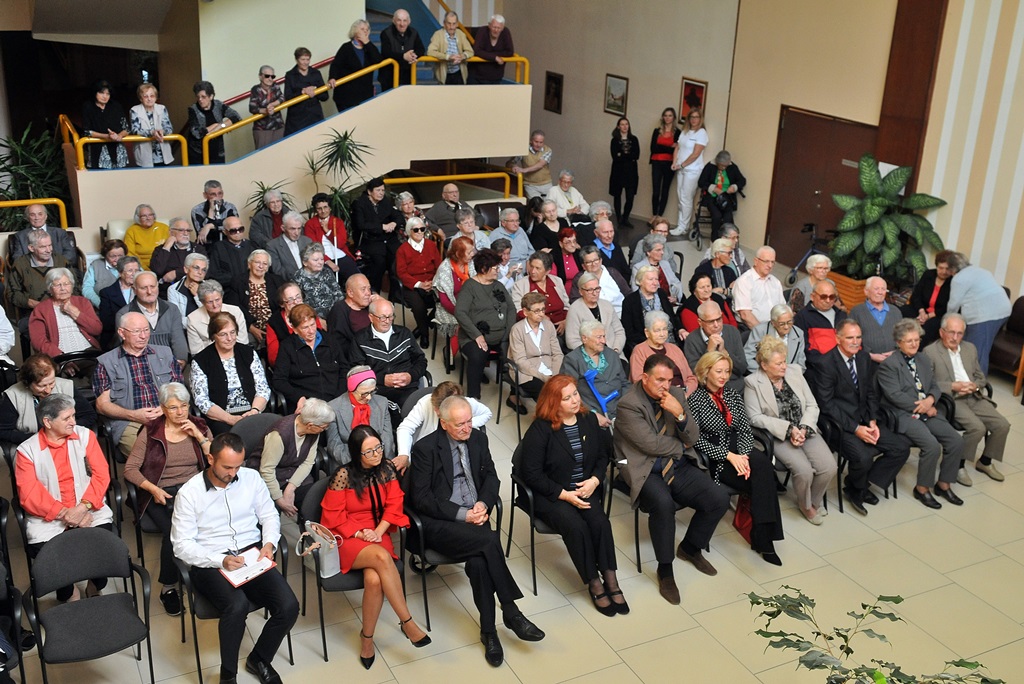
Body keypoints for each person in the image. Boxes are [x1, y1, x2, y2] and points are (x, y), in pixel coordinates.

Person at [410, 396, 545, 667]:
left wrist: (482, 504)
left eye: (469, 421)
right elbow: (422, 499)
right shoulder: (425, 449)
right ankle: (511, 610)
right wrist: (464, 514)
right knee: (489, 541)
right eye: (460, 424)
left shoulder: (478, 439)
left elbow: (492, 477)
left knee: (481, 562)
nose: (467, 428)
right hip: (442, 523)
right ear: (444, 423)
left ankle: (489, 633)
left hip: (476, 517)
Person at [170, 432, 299, 684]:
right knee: (236, 606)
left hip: (251, 554)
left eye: (238, 466)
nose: (233, 473)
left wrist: (269, 542)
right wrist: (220, 560)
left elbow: (269, 516)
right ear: (210, 459)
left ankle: (259, 658)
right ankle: (228, 675)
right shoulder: (190, 493)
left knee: (289, 606)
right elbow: (181, 546)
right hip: (210, 560)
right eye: (227, 467)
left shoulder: (251, 479)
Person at [613, 355, 730, 603]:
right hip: (643, 467)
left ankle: (690, 548)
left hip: (676, 464)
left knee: (718, 498)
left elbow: (694, 436)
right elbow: (649, 444)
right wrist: (681, 444)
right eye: (660, 380)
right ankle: (665, 569)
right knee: (663, 505)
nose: (665, 385)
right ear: (645, 378)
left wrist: (680, 416)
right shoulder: (628, 404)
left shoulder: (676, 395)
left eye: (669, 379)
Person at [321, 425, 430, 669]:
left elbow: (394, 505)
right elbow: (334, 518)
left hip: (377, 531)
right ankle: (407, 622)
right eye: (369, 451)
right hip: (348, 536)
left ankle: (366, 639)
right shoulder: (343, 476)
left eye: (378, 447)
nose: (377, 454)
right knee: (382, 558)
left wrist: (379, 531)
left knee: (373, 581)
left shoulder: (387, 470)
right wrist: (361, 533)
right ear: (356, 454)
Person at [518, 376, 626, 615]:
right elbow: (532, 475)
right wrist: (564, 495)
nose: (575, 400)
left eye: (575, 394)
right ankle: (594, 582)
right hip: (551, 493)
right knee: (576, 527)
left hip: (585, 487)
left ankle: (611, 579)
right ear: (553, 402)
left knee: (600, 523)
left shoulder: (587, 420)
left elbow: (602, 456)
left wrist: (595, 480)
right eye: (566, 398)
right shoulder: (541, 429)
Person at [689, 351, 785, 565]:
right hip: (716, 456)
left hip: (739, 449)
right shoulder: (695, 400)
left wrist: (742, 455)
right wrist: (730, 456)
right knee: (762, 479)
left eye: (727, 371)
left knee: (764, 472)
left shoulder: (731, 394)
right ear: (706, 372)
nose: (724, 376)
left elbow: (744, 429)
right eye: (719, 371)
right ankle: (764, 541)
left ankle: (763, 537)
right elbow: (696, 441)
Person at [124, 382, 212, 616]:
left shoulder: (200, 425)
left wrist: (200, 438)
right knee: (175, 531)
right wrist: (153, 489)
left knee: (213, 523)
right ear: (163, 408)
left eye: (184, 406)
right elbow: (130, 469)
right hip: (161, 491)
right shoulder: (151, 431)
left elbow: (217, 462)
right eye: (173, 408)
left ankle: (207, 574)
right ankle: (169, 587)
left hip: (194, 489)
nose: (180, 412)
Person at [16, 393, 113, 602]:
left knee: (102, 544)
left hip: (88, 507)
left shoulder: (85, 436)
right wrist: (66, 514)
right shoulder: (27, 451)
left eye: (74, 416)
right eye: (67, 418)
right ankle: (69, 594)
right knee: (56, 555)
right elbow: (29, 494)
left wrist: (83, 507)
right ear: (47, 422)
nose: (74, 422)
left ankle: (95, 587)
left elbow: (102, 474)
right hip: (49, 517)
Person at [811, 319, 911, 515]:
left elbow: (871, 393)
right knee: (863, 457)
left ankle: (861, 483)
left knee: (901, 448)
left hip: (865, 418)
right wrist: (856, 429)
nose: (855, 342)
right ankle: (856, 490)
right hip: (840, 425)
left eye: (858, 337)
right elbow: (827, 406)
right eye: (850, 337)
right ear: (837, 338)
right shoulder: (825, 364)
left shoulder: (863, 358)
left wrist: (872, 420)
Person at [744, 336, 836, 524]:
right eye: (778, 363)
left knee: (829, 467)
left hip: (805, 428)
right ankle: (805, 505)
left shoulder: (794, 372)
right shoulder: (752, 382)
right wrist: (789, 429)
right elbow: (755, 417)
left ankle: (813, 502)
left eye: (784, 361)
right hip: (779, 435)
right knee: (804, 471)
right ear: (763, 365)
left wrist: (803, 428)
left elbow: (812, 405)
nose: (784, 366)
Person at [877, 319, 965, 509]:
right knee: (932, 446)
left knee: (955, 440)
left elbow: (934, 385)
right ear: (899, 342)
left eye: (917, 340)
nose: (915, 344)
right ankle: (923, 488)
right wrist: (924, 406)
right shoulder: (889, 365)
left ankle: (943, 484)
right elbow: (894, 396)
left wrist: (931, 399)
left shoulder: (923, 359)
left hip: (927, 408)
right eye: (909, 341)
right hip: (903, 414)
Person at [924, 313, 1009, 484]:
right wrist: (952, 386)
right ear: (942, 332)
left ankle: (985, 462)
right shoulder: (930, 352)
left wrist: (976, 385)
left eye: (959, 333)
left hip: (974, 396)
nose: (955, 338)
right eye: (951, 332)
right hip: (952, 400)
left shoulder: (970, 348)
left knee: (1002, 425)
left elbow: (981, 376)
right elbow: (927, 384)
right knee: (977, 428)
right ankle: (957, 465)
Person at [94, 311, 184, 458]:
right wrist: (134, 415)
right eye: (137, 331)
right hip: (128, 422)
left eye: (146, 330)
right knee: (153, 456)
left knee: (190, 448)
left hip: (168, 414)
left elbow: (180, 390)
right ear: (122, 333)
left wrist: (165, 409)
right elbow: (102, 405)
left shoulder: (165, 354)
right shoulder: (107, 363)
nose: (143, 336)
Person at [250, 399, 334, 516]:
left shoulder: (314, 432)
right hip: (270, 476)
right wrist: (279, 498)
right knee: (272, 512)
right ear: (310, 425)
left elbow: (308, 462)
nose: (324, 430)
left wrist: (291, 488)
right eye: (324, 427)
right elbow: (267, 470)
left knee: (316, 502)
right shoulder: (279, 435)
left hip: (293, 472)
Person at [190, 312, 271, 435]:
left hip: (253, 412)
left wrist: (254, 411)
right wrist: (230, 419)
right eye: (223, 334)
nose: (230, 338)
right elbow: (202, 401)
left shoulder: (248, 353)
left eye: (233, 332)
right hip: (221, 418)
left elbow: (263, 388)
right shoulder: (201, 361)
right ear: (213, 336)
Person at [456, 249, 517, 399]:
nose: (498, 271)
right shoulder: (469, 286)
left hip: (502, 335)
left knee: (519, 355)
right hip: (474, 337)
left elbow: (511, 308)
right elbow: (460, 313)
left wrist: (508, 333)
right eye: (495, 268)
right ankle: (473, 398)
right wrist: (477, 335)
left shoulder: (498, 285)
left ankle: (514, 396)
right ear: (484, 269)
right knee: (478, 355)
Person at [0, 354, 96, 446]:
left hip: (67, 441)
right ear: (27, 383)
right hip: (30, 445)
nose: (48, 390)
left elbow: (89, 416)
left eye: (52, 383)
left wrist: (65, 430)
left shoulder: (66, 386)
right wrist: (38, 438)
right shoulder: (13, 395)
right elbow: (3, 431)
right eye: (41, 386)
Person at [353, 299, 427, 411]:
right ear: (371, 317)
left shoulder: (404, 334)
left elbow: (421, 360)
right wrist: (382, 379)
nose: (387, 321)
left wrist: (410, 376)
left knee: (415, 412)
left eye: (390, 316)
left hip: (407, 388)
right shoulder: (361, 339)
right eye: (382, 317)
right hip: (376, 389)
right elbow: (356, 371)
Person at [944, 251, 1011, 374]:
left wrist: (946, 323)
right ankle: (964, 376)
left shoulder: (959, 279)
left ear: (952, 269)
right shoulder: (981, 271)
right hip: (1003, 310)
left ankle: (976, 385)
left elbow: (953, 304)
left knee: (975, 350)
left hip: (986, 315)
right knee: (973, 344)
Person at [396, 382, 491, 467]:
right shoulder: (426, 402)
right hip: (428, 452)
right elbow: (405, 428)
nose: (436, 412)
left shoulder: (464, 403)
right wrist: (404, 454)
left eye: (440, 409)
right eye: (436, 407)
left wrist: (463, 424)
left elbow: (487, 413)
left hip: (455, 450)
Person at [273, 305, 346, 412]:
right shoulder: (287, 347)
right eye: (305, 327)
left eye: (313, 325)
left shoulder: (330, 340)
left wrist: (339, 396)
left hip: (336, 398)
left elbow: (344, 369)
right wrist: (298, 397)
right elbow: (279, 380)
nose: (311, 331)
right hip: (307, 403)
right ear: (295, 330)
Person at [9, 230, 76, 336]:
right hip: (34, 312)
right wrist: (35, 304)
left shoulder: (61, 261)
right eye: (43, 247)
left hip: (64, 308)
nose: (48, 250)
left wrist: (66, 305)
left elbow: (75, 286)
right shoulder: (20, 265)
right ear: (31, 248)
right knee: (43, 330)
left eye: (50, 245)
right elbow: (12, 294)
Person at [325, 366, 395, 468]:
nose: (369, 397)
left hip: (380, 458)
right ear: (351, 389)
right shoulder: (334, 408)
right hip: (347, 462)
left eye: (372, 391)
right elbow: (334, 445)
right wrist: (359, 465)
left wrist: (378, 459)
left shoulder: (382, 402)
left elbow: (387, 437)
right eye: (364, 394)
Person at [562, 321, 630, 424]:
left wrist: (625, 407)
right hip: (591, 412)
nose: (603, 340)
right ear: (584, 338)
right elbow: (569, 394)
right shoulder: (572, 360)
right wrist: (592, 415)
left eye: (604, 336)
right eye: (599, 337)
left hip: (620, 409)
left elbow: (624, 383)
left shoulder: (612, 355)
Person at [508, 292, 564, 411]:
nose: (541, 314)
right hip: (527, 372)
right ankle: (550, 423)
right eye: (537, 311)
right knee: (546, 394)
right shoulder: (517, 330)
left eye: (543, 310)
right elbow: (521, 361)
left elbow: (557, 353)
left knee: (566, 389)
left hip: (550, 367)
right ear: (525, 312)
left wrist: (555, 375)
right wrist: (544, 377)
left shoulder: (548, 326)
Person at [115, 271, 189, 361]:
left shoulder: (172, 309)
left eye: (153, 287)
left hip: (170, 364)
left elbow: (178, 341)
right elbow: (130, 349)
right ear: (134, 290)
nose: (149, 292)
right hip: (140, 365)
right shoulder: (124, 314)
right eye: (143, 288)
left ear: (158, 286)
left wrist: (180, 361)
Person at [29, 268, 101, 358]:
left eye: (66, 284)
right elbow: (38, 341)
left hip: (88, 351)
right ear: (50, 289)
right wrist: (60, 356)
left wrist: (75, 313)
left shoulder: (83, 302)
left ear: (72, 286)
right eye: (57, 285)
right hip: (58, 355)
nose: (63, 288)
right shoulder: (41, 309)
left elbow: (97, 330)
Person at [396, 216, 444, 345]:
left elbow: (439, 267)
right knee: (419, 307)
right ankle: (424, 334)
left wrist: (433, 282)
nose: (419, 232)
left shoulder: (430, 244)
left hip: (432, 282)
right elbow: (401, 273)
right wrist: (419, 284)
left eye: (422, 229)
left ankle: (424, 324)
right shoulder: (402, 250)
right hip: (412, 285)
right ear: (408, 232)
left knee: (446, 301)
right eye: (415, 230)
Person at [350, 177, 403, 292]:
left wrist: (393, 223)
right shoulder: (359, 204)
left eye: (383, 190)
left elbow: (398, 216)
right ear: (369, 191)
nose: (381, 193)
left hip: (388, 239)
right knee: (379, 262)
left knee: (398, 259)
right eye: (378, 190)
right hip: (371, 240)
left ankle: (395, 294)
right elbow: (361, 225)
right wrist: (382, 227)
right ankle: (375, 293)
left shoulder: (385, 202)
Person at [683, 300, 747, 394]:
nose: (716, 325)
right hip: (709, 392)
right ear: (700, 322)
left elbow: (742, 368)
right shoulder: (692, 340)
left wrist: (724, 352)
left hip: (736, 388)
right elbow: (698, 377)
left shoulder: (732, 332)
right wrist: (709, 351)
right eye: (711, 322)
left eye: (719, 319)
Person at [225, 250, 283, 348]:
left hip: (274, 327)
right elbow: (234, 307)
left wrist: (272, 329)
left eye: (265, 264)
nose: (261, 266)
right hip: (247, 328)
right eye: (257, 262)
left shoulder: (276, 281)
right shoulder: (238, 281)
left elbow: (281, 306)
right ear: (249, 264)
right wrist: (251, 328)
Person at [629, 311, 696, 393]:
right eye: (657, 330)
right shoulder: (639, 351)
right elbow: (639, 381)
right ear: (647, 332)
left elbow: (691, 378)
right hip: (657, 399)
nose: (662, 334)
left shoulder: (674, 349)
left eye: (664, 329)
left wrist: (685, 393)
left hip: (684, 394)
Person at [793, 279, 846, 380]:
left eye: (832, 297)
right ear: (812, 296)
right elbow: (803, 349)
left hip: (844, 367)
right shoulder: (802, 317)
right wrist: (828, 363)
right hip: (818, 371)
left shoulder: (842, 315)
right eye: (823, 297)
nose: (828, 300)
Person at [565, 272, 626, 354]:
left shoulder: (607, 305)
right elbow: (572, 341)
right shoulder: (575, 309)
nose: (594, 293)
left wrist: (615, 350)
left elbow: (619, 331)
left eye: (597, 289)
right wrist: (593, 353)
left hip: (614, 352)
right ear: (580, 291)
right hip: (589, 356)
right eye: (590, 290)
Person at [902, 249, 953, 346]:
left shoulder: (953, 282)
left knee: (928, 327)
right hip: (922, 310)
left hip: (938, 315)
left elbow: (949, 306)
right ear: (936, 266)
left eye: (947, 269)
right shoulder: (928, 275)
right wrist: (921, 312)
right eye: (941, 268)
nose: (943, 271)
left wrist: (927, 316)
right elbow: (916, 295)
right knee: (901, 311)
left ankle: (916, 349)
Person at [329, 19, 382, 113]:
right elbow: (336, 65)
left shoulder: (369, 48)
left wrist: (367, 43)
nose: (365, 31)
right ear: (355, 31)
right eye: (362, 29)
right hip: (346, 95)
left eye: (367, 29)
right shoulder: (346, 48)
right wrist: (332, 77)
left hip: (365, 94)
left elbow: (378, 60)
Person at [511, 251, 570, 334]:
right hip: (537, 329)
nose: (532, 271)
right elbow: (519, 312)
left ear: (547, 271)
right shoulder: (520, 285)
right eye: (531, 267)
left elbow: (566, 307)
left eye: (537, 268)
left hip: (563, 328)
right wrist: (540, 317)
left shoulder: (557, 281)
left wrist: (565, 321)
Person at [622, 265, 674, 357]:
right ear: (640, 281)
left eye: (656, 279)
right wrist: (653, 341)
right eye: (651, 279)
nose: (655, 283)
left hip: (669, 340)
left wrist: (681, 329)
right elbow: (629, 332)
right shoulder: (630, 301)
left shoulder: (661, 294)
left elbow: (673, 317)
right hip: (647, 345)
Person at [671, 107, 708, 236]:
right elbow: (678, 148)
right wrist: (675, 163)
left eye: (696, 117)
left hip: (692, 171)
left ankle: (683, 226)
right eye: (692, 117)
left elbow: (695, 154)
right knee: (680, 196)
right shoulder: (685, 131)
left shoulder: (702, 133)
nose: (694, 120)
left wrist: (682, 164)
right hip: (680, 169)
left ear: (700, 119)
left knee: (686, 198)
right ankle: (680, 224)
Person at [433, 236, 476, 345]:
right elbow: (445, 302)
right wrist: (462, 313)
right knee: (467, 324)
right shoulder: (445, 269)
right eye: (469, 252)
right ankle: (453, 354)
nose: (473, 254)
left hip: (471, 305)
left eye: (472, 251)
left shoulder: (470, 263)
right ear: (458, 254)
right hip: (452, 308)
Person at [848, 276, 902, 363]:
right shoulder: (857, 312)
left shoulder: (895, 311)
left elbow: (903, 336)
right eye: (876, 289)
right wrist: (869, 355)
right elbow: (850, 339)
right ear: (866, 291)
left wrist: (895, 352)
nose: (880, 292)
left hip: (894, 361)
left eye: (883, 289)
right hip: (866, 362)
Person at [185, 80, 240, 165]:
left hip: (217, 151)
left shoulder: (218, 105)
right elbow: (196, 133)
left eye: (203, 97)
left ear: (211, 96)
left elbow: (236, 117)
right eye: (198, 97)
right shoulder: (193, 109)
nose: (200, 100)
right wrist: (216, 125)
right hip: (198, 154)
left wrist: (220, 126)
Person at [186, 280, 249, 354]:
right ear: (202, 302)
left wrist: (207, 342)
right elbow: (196, 351)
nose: (215, 305)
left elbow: (242, 342)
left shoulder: (236, 311)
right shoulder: (192, 319)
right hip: (208, 359)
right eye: (210, 302)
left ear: (222, 297)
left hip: (237, 353)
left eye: (217, 300)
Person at [732, 246, 785, 329]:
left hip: (776, 327)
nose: (770, 265)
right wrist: (764, 333)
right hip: (755, 329)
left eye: (772, 262)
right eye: (766, 261)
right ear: (756, 261)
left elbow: (782, 308)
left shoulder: (776, 282)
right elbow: (745, 315)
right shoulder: (744, 282)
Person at [304, 196, 357, 279]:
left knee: (355, 275)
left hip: (340, 254)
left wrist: (328, 231)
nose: (323, 211)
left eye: (325, 207)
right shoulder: (310, 224)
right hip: (322, 258)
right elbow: (314, 247)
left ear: (330, 208)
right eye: (319, 208)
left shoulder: (337, 222)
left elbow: (341, 244)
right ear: (316, 210)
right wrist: (327, 261)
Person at [697, 150, 746, 239]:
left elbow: (742, 180)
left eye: (725, 166)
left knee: (728, 219)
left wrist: (734, 187)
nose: (723, 168)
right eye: (721, 165)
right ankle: (715, 241)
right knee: (717, 217)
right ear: (717, 162)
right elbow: (701, 182)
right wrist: (714, 188)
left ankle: (729, 240)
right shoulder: (710, 166)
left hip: (727, 197)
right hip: (712, 197)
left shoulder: (732, 167)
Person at [743, 304, 806, 371]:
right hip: (764, 374)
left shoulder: (798, 333)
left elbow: (801, 363)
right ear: (773, 323)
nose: (786, 327)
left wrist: (787, 374)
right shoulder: (760, 331)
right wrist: (765, 372)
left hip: (790, 375)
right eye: (782, 324)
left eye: (789, 322)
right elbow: (748, 357)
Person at [152, 218, 206, 295]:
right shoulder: (161, 249)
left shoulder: (198, 249)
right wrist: (167, 246)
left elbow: (206, 271)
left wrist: (176, 273)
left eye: (188, 230)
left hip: (194, 291)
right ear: (171, 233)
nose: (186, 233)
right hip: (166, 293)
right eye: (181, 230)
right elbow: (158, 270)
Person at [82, 79, 128, 169]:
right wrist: (106, 136)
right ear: (95, 93)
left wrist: (119, 136)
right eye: (101, 93)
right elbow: (86, 131)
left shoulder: (116, 106)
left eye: (108, 94)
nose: (105, 96)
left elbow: (126, 128)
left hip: (117, 149)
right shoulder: (88, 106)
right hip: (98, 150)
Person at [283, 46, 328, 135]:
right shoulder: (290, 75)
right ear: (296, 60)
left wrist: (315, 90)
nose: (305, 62)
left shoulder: (316, 73)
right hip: (297, 120)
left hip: (315, 116)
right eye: (303, 59)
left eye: (308, 59)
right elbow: (287, 97)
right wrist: (302, 92)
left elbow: (325, 96)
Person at [10, 204, 77, 263]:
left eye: (40, 214)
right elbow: (17, 258)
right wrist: (37, 266)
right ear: (28, 218)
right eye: (32, 215)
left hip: (59, 269)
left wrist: (53, 264)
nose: (36, 218)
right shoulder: (20, 236)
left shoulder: (60, 233)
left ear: (46, 216)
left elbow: (70, 254)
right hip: (32, 272)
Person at [293, 243, 344, 319]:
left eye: (322, 259)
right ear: (305, 262)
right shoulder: (297, 278)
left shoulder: (326, 271)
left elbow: (337, 292)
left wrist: (342, 311)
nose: (320, 262)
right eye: (316, 260)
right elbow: (300, 305)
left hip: (335, 313)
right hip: (313, 318)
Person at [573, 245, 628, 315]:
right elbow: (575, 301)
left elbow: (627, 293)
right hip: (598, 316)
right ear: (583, 266)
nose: (593, 264)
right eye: (589, 262)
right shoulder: (579, 278)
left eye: (596, 260)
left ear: (601, 260)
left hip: (621, 312)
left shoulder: (613, 272)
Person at [98, 256, 140, 346]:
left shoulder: (143, 290)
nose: (134, 274)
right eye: (130, 271)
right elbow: (106, 322)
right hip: (116, 337)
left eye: (137, 271)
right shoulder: (107, 293)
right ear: (120, 273)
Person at [379, 9, 425, 90]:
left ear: (409, 22)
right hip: (389, 76)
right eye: (399, 20)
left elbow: (421, 49)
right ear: (394, 21)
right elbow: (386, 53)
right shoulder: (386, 33)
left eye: (405, 21)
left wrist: (414, 55)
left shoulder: (414, 32)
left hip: (407, 76)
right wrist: (403, 56)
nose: (402, 24)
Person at [129, 83, 174, 167]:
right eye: (146, 96)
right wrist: (152, 132)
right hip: (144, 154)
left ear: (156, 97)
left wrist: (162, 131)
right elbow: (135, 130)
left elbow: (169, 128)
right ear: (140, 98)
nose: (149, 99)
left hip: (163, 154)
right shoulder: (134, 110)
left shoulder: (162, 108)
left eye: (152, 96)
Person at [630, 234, 683, 302]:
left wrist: (676, 298)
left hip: (670, 302)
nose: (662, 252)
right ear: (648, 252)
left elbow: (677, 282)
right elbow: (636, 291)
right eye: (658, 250)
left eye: (662, 249)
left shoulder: (665, 264)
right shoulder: (638, 268)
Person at [327, 273, 374, 349]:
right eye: (363, 289)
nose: (368, 293)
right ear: (350, 293)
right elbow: (338, 344)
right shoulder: (339, 310)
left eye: (369, 289)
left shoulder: (371, 305)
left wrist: (379, 304)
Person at [266, 282, 308, 366]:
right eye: (290, 300)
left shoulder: (310, 315)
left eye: (298, 297)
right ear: (282, 304)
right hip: (289, 366)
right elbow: (273, 358)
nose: (296, 302)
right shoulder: (274, 322)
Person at [609, 117, 640, 227]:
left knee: (630, 197)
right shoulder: (614, 140)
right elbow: (615, 156)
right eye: (622, 124)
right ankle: (618, 219)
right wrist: (627, 156)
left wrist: (622, 154)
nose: (625, 126)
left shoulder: (634, 139)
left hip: (631, 172)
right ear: (618, 126)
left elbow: (636, 155)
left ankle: (625, 218)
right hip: (618, 171)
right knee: (617, 195)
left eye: (626, 124)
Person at [427, 11, 474, 85]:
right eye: (449, 23)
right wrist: (448, 57)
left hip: (459, 74)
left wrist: (462, 56)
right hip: (444, 75)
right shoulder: (438, 35)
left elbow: (470, 51)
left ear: (457, 24)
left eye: (454, 24)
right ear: (444, 23)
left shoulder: (461, 34)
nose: (451, 27)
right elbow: (430, 51)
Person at [207, 216, 255, 287]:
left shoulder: (251, 245)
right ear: (225, 232)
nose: (238, 232)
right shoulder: (218, 248)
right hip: (229, 289)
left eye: (241, 229)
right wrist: (236, 280)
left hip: (250, 286)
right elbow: (214, 273)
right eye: (233, 231)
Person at [649, 108, 680, 217]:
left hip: (669, 164)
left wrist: (663, 147)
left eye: (670, 115)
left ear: (674, 118)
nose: (667, 118)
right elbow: (653, 148)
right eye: (665, 115)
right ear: (663, 117)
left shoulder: (678, 132)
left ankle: (660, 216)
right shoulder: (657, 131)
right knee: (656, 190)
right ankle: (654, 215)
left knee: (665, 190)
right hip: (656, 162)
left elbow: (676, 150)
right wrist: (669, 147)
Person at [190, 180, 239, 246]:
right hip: (208, 246)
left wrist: (209, 226)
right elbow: (202, 233)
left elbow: (233, 228)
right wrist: (211, 212)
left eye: (220, 193)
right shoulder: (197, 210)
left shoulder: (230, 207)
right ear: (205, 195)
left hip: (228, 244)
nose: (217, 197)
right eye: (213, 194)